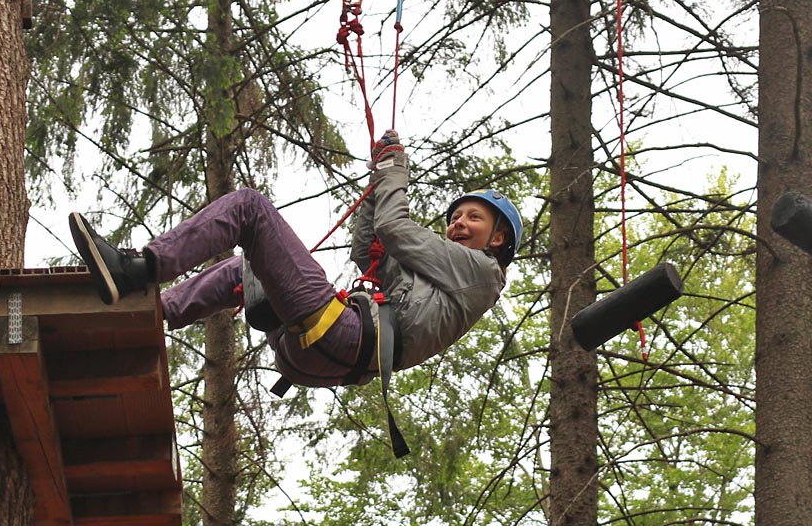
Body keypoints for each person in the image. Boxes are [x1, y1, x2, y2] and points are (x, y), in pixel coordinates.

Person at [68, 130, 521, 447]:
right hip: (324, 355)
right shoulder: (440, 278)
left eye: (473, 218)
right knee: (240, 272)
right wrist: (376, 180)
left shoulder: (481, 273)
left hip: (341, 336)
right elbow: (369, 251)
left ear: (497, 239)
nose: (458, 223)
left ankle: (136, 269)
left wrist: (395, 169)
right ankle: (147, 317)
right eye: (456, 216)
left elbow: (394, 226)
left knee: (249, 207)